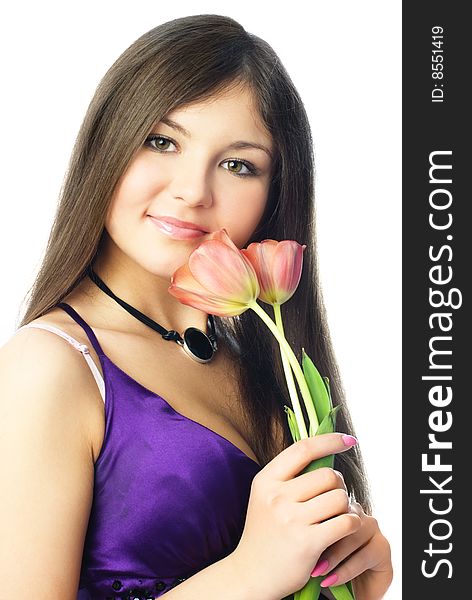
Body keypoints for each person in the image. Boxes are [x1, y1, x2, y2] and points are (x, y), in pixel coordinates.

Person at [0, 14, 393, 600]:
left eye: (238, 164)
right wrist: (249, 574)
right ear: (106, 145)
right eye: (161, 141)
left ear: (276, 194)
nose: (192, 190)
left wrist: (353, 578)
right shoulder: (50, 366)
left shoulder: (264, 356)